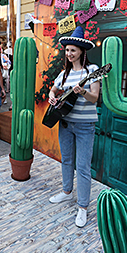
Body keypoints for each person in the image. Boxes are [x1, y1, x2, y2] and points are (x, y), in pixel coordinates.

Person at [47, 26, 100, 228]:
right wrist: (52, 99)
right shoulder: (64, 74)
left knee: (83, 167)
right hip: (66, 123)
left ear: (81, 51)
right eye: (67, 50)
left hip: (85, 125)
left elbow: (94, 98)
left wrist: (83, 92)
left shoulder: (92, 71)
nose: (69, 54)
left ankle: (83, 207)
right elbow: (53, 91)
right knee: (67, 159)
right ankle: (67, 192)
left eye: (73, 50)